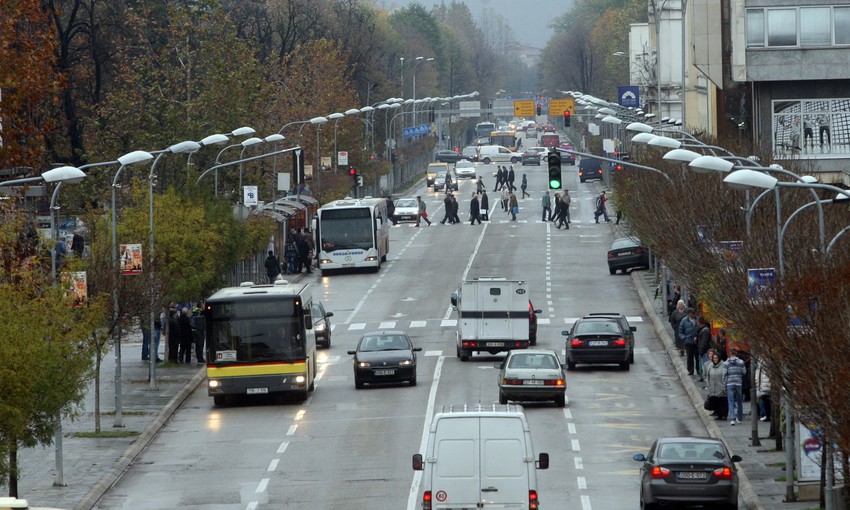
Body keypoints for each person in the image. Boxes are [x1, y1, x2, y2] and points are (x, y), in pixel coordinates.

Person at [724, 348, 747, 425]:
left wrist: (724, 385)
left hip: (729, 383)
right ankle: (739, 417)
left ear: (730, 354)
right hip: (738, 383)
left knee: (731, 401)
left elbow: (724, 375)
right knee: (739, 400)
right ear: (736, 353)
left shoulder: (726, 363)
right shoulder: (741, 362)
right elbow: (744, 372)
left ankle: (732, 418)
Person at [705, 352, 728, 420]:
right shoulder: (710, 366)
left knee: (723, 401)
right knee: (716, 402)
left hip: (721, 387)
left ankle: (724, 415)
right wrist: (708, 385)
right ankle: (718, 414)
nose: (715, 359)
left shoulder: (724, 365)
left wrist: (724, 387)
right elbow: (707, 375)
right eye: (714, 358)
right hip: (713, 387)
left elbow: (726, 376)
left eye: (716, 358)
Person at [678, 307, 698, 375]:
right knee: (689, 357)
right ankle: (690, 370)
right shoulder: (684, 321)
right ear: (689, 314)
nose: (694, 314)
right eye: (692, 313)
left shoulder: (697, 320)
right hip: (688, 342)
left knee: (697, 357)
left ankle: (698, 370)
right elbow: (680, 331)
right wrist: (684, 338)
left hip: (696, 342)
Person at [696, 317, 712, 382]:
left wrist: (701, 351)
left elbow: (704, 342)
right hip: (703, 351)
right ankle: (704, 378)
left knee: (705, 366)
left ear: (699, 323)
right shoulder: (703, 330)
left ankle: (706, 380)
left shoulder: (705, 330)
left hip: (704, 352)